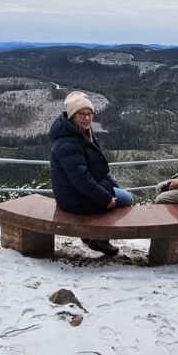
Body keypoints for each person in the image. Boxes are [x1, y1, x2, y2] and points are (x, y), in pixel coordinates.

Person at [49, 91, 134, 255]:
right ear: (73, 115)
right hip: (74, 198)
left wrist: (110, 187)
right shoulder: (68, 143)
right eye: (82, 114)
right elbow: (81, 180)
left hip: (76, 192)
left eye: (90, 114)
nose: (87, 118)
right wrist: (106, 198)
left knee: (119, 193)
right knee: (127, 199)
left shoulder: (81, 134)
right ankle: (99, 239)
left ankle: (88, 235)